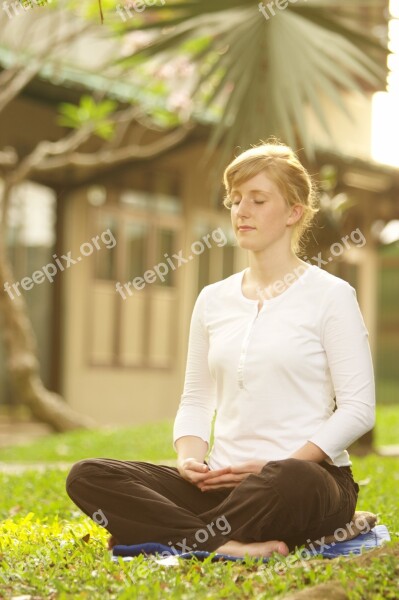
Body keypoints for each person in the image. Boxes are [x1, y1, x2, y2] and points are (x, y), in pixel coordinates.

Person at [66, 142, 375, 559]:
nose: (240, 211)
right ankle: (229, 545)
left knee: (289, 480)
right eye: (234, 200)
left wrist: (271, 465)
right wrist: (189, 459)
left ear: (293, 212)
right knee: (88, 476)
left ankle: (167, 535)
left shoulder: (331, 296)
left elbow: (357, 409)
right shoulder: (213, 300)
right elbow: (196, 398)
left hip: (307, 481)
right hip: (221, 484)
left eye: (257, 199)